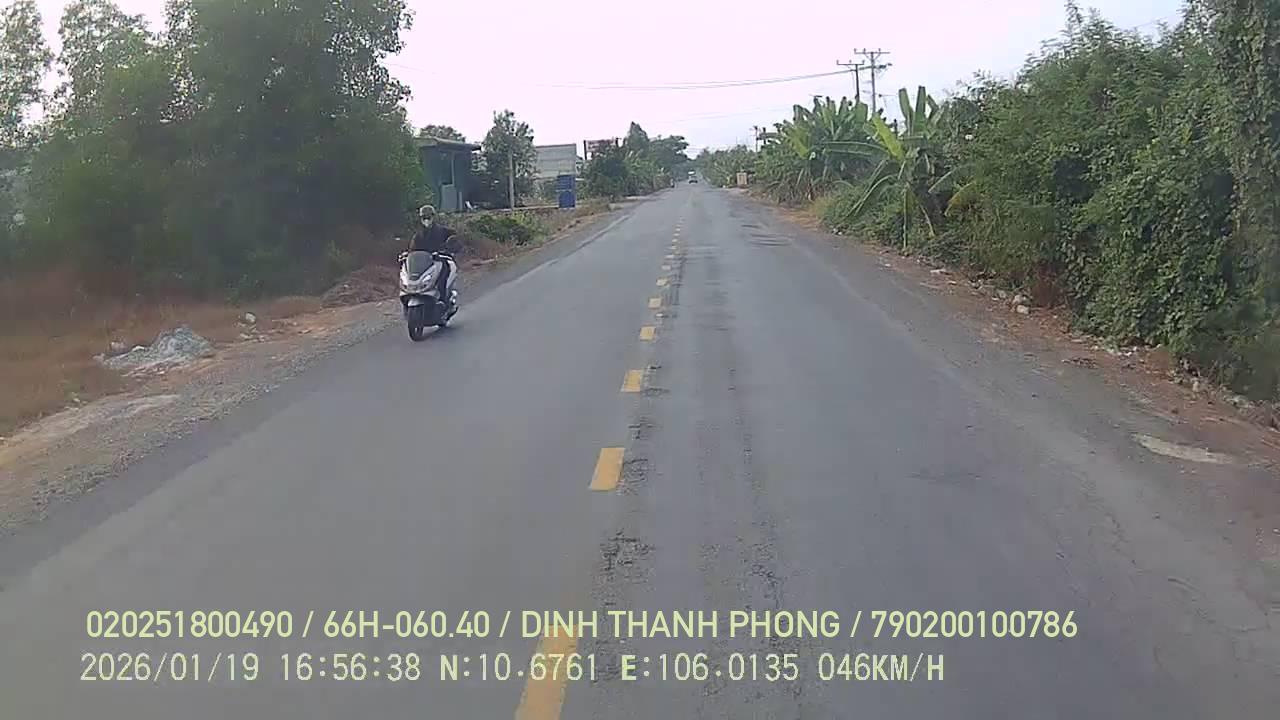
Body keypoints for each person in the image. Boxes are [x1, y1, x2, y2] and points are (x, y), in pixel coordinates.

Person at [406, 204, 456, 304]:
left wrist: (448, 247)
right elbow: (412, 249)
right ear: (421, 219)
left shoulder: (442, 230)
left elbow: (454, 236)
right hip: (424, 263)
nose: (426, 220)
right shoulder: (418, 235)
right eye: (424, 218)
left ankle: (442, 299)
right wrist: (408, 255)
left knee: (443, 275)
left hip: (439, 260)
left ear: (433, 217)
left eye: (428, 217)